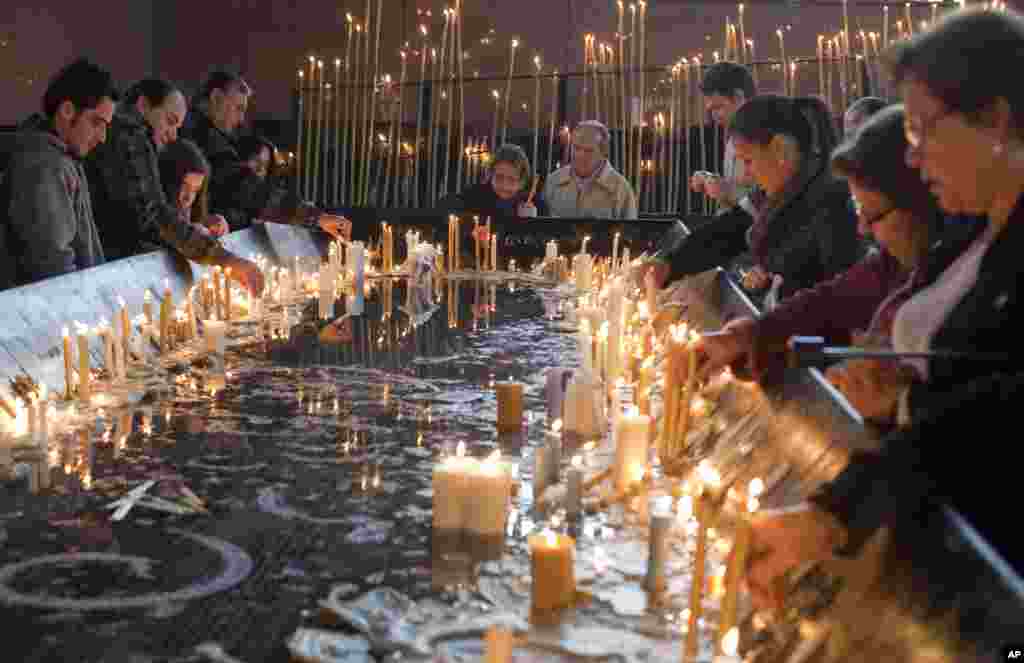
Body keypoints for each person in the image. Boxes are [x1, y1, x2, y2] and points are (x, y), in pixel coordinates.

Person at [745, 8, 1024, 612]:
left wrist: (834, 515)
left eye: (923, 130)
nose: (916, 158)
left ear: (996, 119)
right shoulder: (982, 236)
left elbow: (997, 412)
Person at [698, 105, 945, 381]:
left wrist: (898, 398)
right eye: (859, 211)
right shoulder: (894, 261)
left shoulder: (827, 199)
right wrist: (751, 334)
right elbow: (835, 297)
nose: (863, 228)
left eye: (873, 215)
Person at [650, 95, 863, 302]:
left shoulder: (833, 200)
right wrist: (670, 264)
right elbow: (725, 232)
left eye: (748, 161)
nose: (747, 174)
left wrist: (773, 283)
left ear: (779, 148)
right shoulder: (773, 195)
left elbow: (839, 294)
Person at [83, 79, 260, 293]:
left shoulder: (125, 137)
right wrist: (222, 258)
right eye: (170, 120)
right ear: (143, 106)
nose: (173, 135)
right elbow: (155, 215)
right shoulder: (130, 138)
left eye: (178, 126)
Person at [182, 71, 351, 239]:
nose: (241, 119)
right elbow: (247, 190)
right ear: (217, 97)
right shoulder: (203, 136)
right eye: (238, 108)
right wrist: (316, 217)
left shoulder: (209, 135)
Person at [0, 59, 117, 289]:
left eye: (106, 126)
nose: (103, 137)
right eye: (96, 122)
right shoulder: (45, 166)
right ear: (67, 110)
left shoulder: (62, 159)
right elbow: (54, 268)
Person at [689, 61, 758, 215]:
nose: (714, 116)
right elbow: (736, 188)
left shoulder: (764, 139)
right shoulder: (732, 139)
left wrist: (727, 192)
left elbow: (772, 200)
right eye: (710, 110)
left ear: (739, 97)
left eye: (718, 107)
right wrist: (710, 180)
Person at [543, 121, 637, 219]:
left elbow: (630, 233)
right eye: (576, 148)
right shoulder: (554, 181)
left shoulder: (620, 190)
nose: (580, 155)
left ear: (603, 152)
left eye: (588, 150)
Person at [441, 144, 547, 219]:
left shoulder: (537, 205)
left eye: (512, 180)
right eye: (499, 177)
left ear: (522, 181)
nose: (504, 186)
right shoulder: (474, 197)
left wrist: (533, 223)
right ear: (490, 175)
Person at [158, 139, 229, 240]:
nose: (188, 197)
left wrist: (206, 223)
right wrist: (188, 233)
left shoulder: (188, 209)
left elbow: (191, 222)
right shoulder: (153, 212)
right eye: (184, 187)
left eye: (195, 190)